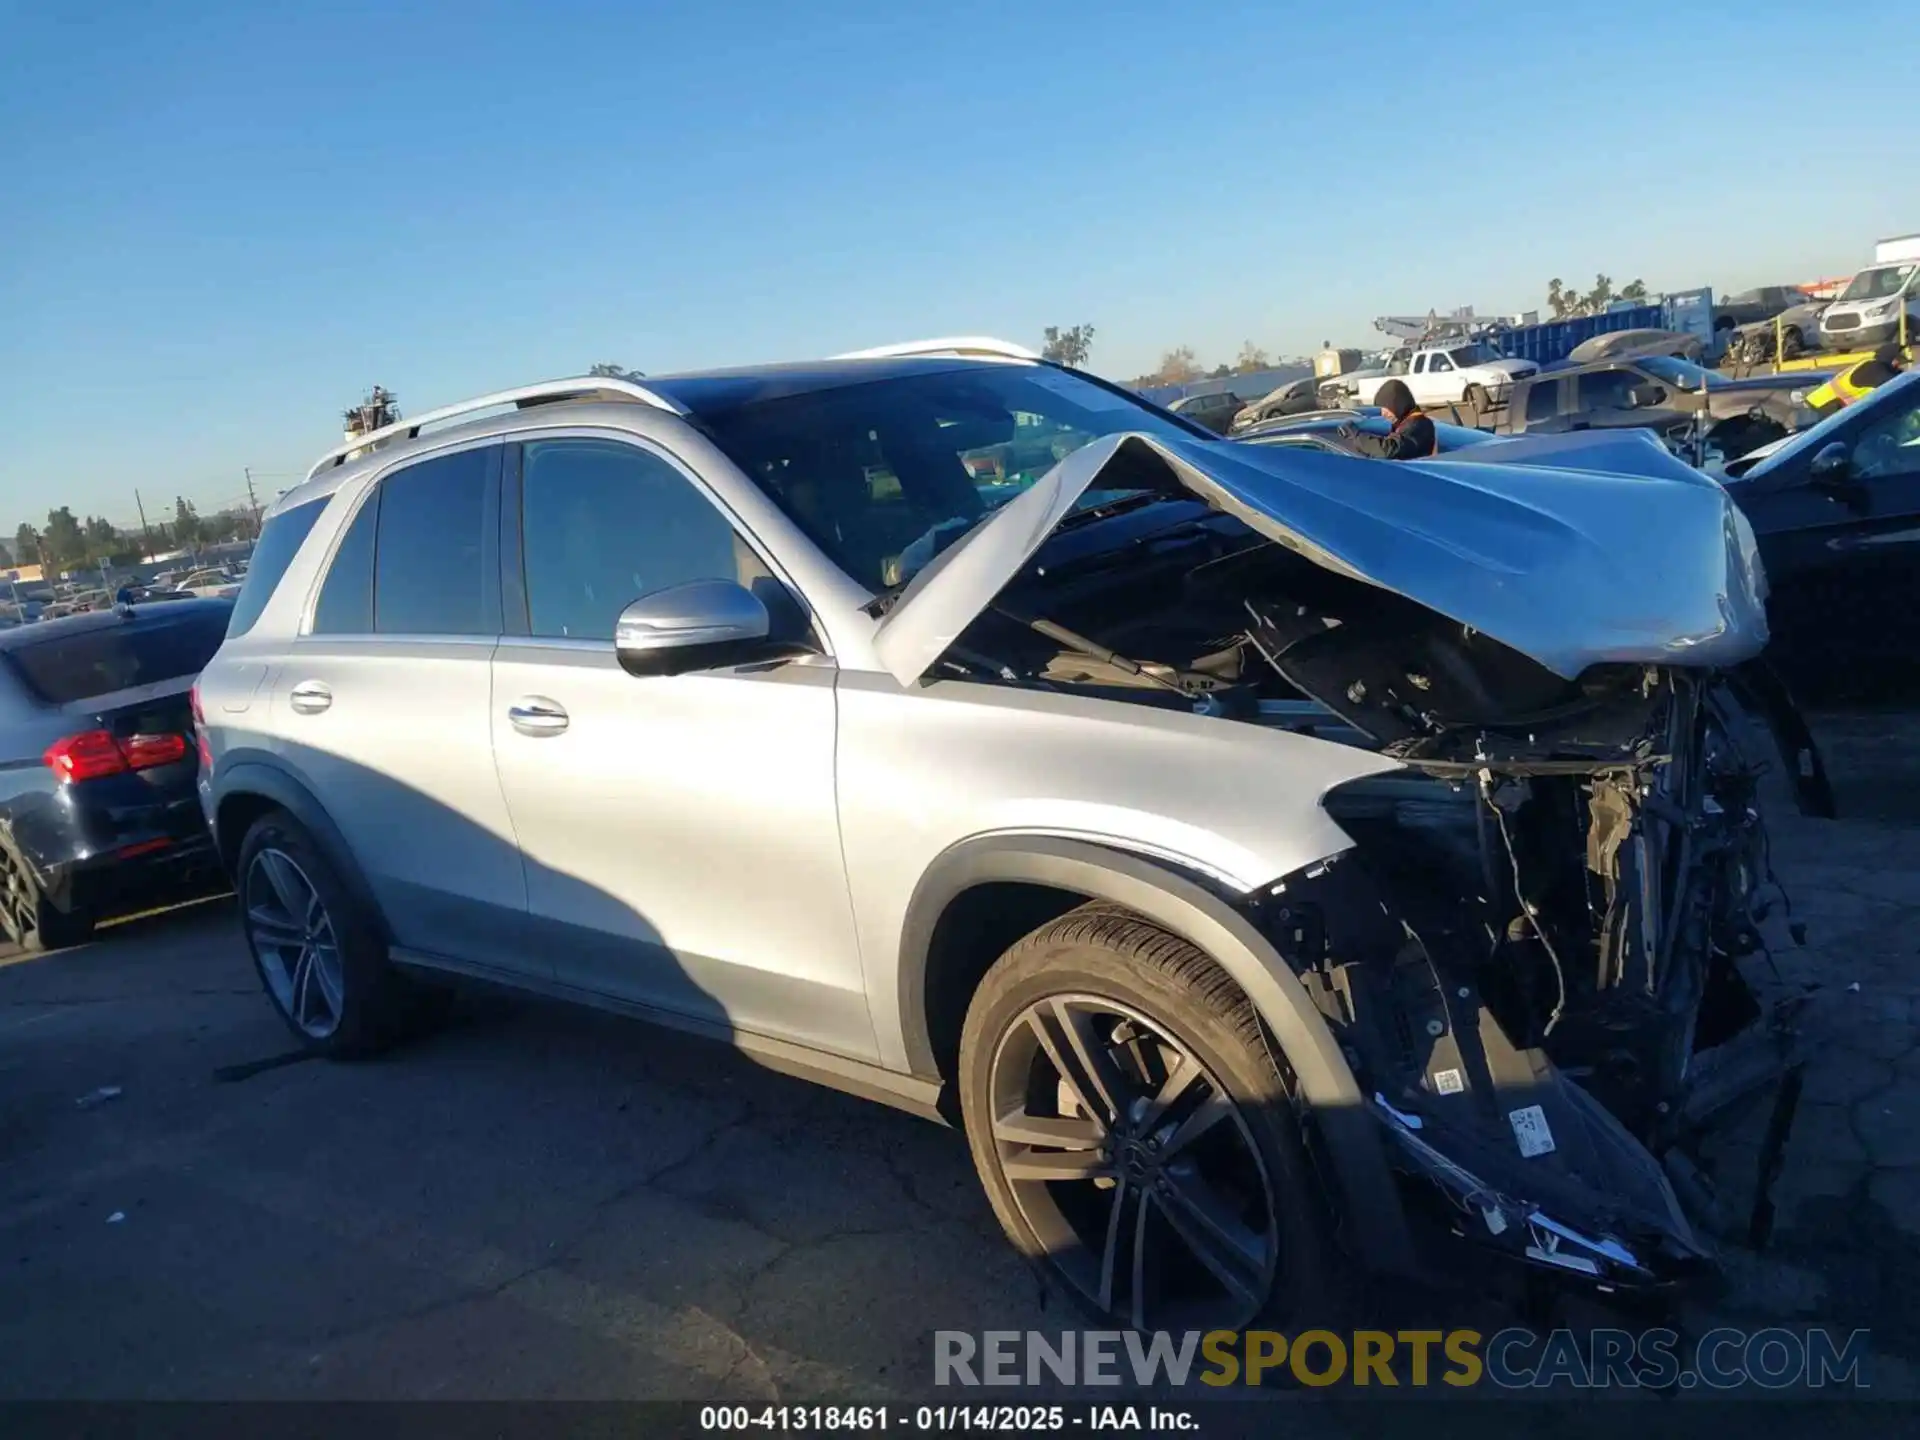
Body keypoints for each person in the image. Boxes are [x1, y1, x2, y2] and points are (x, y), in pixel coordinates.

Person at [1341, 379, 1436, 459]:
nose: (1383, 414)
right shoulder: (1405, 423)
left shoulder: (1418, 425)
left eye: (1386, 409)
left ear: (1398, 404)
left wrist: (1357, 436)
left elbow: (1389, 450)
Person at [1806, 344, 1908, 417]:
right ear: (1889, 358)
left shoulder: (1871, 364)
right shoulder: (1873, 368)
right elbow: (1895, 383)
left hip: (1830, 407)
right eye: (1897, 362)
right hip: (1822, 407)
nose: (1898, 365)